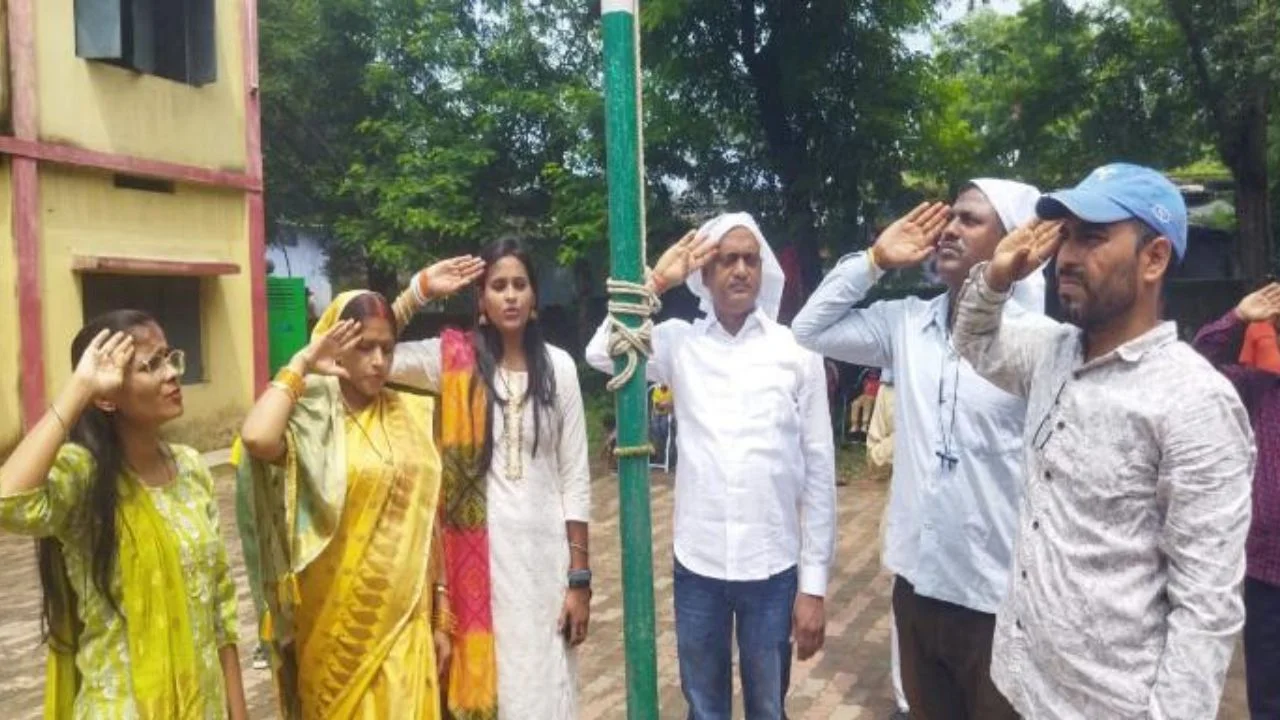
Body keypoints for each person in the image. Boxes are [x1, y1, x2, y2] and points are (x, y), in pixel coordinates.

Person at [953, 162, 1254, 718]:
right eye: (1065, 236)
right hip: (1018, 683)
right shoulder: (1053, 354)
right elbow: (973, 339)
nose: (1066, 256)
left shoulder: (1194, 403)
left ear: (1154, 259)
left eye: (1092, 237)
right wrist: (997, 276)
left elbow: (1205, 609)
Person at [791, 178, 1044, 720]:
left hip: (998, 600)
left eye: (971, 220)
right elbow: (807, 330)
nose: (950, 228)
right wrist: (874, 260)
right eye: (949, 217)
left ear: (1015, 241)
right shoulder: (907, 322)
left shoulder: (1037, 344)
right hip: (918, 585)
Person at [586, 213, 836, 719]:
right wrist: (655, 282)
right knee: (703, 707)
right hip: (698, 565)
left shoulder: (795, 353)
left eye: (749, 259)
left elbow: (820, 473)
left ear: (763, 271)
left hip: (773, 567)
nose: (740, 270)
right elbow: (598, 353)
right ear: (705, 274)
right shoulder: (681, 343)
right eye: (726, 260)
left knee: (768, 706)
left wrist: (813, 586)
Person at [0, 310, 247, 719]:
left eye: (170, 357)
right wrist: (78, 390)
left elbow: (221, 609)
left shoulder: (190, 468)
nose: (171, 374)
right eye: (151, 365)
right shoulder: (83, 474)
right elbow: (9, 503)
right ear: (107, 395)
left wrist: (238, 712)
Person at [390, 239, 592, 720]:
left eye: (519, 285)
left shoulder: (559, 368)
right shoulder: (453, 362)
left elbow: (575, 477)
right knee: (495, 691)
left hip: (547, 566)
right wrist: (417, 290)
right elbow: (364, 351)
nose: (510, 296)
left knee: (546, 691)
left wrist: (579, 580)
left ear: (535, 297)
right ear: (480, 300)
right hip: (480, 568)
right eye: (497, 286)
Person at [238, 291, 451, 719]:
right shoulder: (312, 421)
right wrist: (302, 363)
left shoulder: (410, 411)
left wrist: (441, 609)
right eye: (363, 347)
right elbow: (257, 438)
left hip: (406, 619)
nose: (378, 361)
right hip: (335, 630)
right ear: (336, 348)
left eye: (386, 349)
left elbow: (427, 519)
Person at [1192, 282, 1280, 718]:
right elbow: (1195, 371)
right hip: (1269, 570)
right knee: (1268, 696)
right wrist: (1237, 317)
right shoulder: (1257, 386)